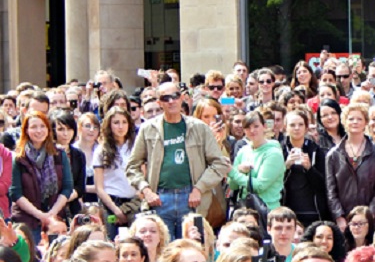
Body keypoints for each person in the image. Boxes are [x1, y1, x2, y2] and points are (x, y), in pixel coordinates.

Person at [126, 81, 231, 240]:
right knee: (162, 252)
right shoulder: (148, 129)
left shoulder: (199, 127)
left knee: (191, 250)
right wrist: (146, 190)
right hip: (160, 199)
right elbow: (132, 166)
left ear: (182, 98)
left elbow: (219, 163)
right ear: (159, 102)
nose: (171, 101)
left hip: (191, 198)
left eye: (174, 96)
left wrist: (199, 188)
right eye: (165, 98)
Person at [10, 111, 74, 246]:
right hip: (27, 220)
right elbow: (15, 193)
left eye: (42, 126)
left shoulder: (59, 154)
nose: (38, 131)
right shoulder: (18, 158)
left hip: (55, 218)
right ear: (26, 130)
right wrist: (40, 215)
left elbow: (67, 188)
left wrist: (52, 214)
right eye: (33, 127)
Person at [326, 103, 375, 232]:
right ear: (344, 122)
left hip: (371, 219)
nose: (355, 122)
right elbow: (331, 190)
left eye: (359, 119)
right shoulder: (333, 155)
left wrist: (370, 215)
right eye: (351, 119)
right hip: (344, 220)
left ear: (366, 123)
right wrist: (339, 216)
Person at [93, 106, 138, 239]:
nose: (120, 126)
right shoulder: (101, 150)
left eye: (124, 122)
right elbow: (99, 188)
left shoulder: (136, 147)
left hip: (133, 203)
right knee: (111, 239)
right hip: (111, 203)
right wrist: (116, 210)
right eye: (116, 122)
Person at [228, 109, 285, 211]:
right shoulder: (243, 151)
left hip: (267, 210)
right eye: (248, 127)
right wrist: (239, 170)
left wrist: (233, 171)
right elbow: (233, 185)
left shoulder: (274, 153)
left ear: (264, 126)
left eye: (256, 126)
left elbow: (260, 186)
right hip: (244, 210)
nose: (252, 131)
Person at [281, 110, 330, 227]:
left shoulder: (316, 150)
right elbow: (273, 182)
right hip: (286, 210)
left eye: (301, 124)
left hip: (312, 211)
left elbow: (323, 184)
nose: (297, 128)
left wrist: (309, 169)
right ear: (285, 128)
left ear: (306, 127)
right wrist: (285, 167)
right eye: (292, 125)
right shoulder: (279, 150)